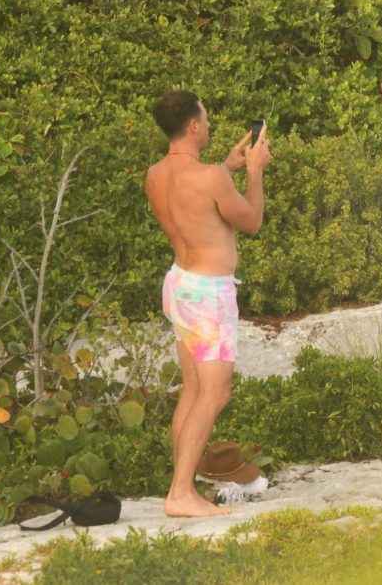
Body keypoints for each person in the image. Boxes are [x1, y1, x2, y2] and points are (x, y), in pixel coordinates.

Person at [144, 90, 271, 517]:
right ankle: (180, 494)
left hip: (180, 284)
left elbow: (193, 198)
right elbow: (251, 221)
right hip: (208, 295)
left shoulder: (156, 174)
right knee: (215, 393)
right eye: (207, 119)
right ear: (194, 126)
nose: (211, 125)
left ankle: (183, 485)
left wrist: (227, 168)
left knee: (194, 390)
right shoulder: (211, 178)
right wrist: (254, 171)